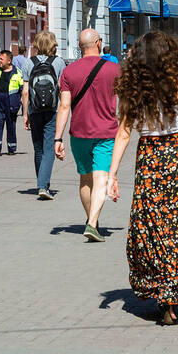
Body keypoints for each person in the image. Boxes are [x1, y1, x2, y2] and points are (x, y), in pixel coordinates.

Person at [108, 31, 178, 325]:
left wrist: (112, 174)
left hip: (150, 161)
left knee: (152, 228)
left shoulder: (133, 89)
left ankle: (163, 295)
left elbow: (124, 134)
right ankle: (174, 295)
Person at [54, 28, 121, 240]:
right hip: (106, 132)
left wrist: (58, 138)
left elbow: (64, 107)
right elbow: (126, 98)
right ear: (99, 43)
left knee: (85, 179)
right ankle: (92, 223)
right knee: (100, 178)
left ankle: (92, 219)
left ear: (80, 46)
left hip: (78, 133)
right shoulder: (114, 69)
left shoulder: (69, 71)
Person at [22, 31, 66, 200]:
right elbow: (62, 89)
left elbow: (26, 92)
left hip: (34, 110)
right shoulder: (59, 62)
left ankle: (41, 184)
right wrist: (63, 109)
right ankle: (43, 185)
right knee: (49, 148)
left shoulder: (28, 63)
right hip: (52, 110)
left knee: (38, 148)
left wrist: (25, 114)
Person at [0, 50, 24, 155]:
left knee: (11, 125)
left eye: (1, 59)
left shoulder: (18, 73)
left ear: (9, 61)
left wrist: (22, 101)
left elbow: (23, 89)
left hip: (11, 102)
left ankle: (11, 148)